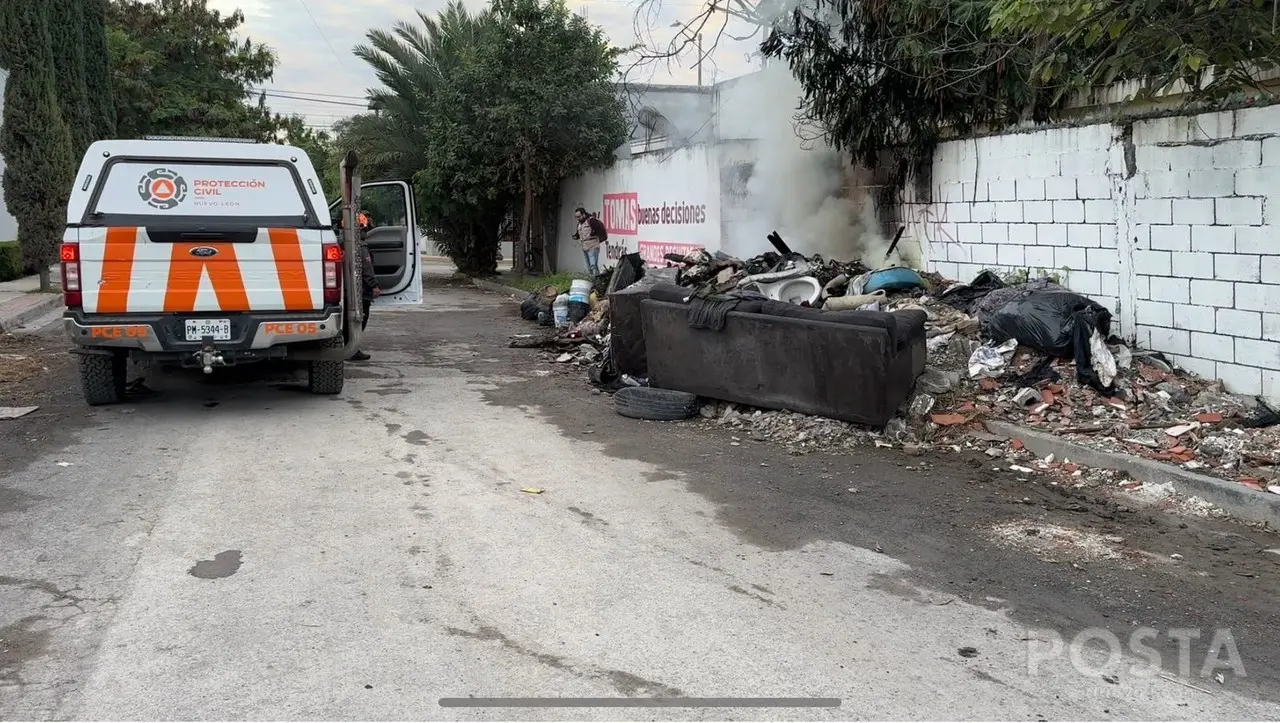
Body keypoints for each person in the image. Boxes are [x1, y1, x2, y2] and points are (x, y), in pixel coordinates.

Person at [349, 212, 379, 362]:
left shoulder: (344, 244)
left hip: (349, 290)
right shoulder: (361, 247)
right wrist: (374, 286)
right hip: (361, 291)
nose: (366, 233)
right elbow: (367, 269)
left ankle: (350, 347)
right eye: (365, 230)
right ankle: (352, 349)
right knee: (361, 319)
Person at [572, 206, 607, 277]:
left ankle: (597, 279)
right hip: (585, 246)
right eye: (576, 217)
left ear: (583, 214)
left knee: (593, 265)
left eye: (579, 216)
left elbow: (600, 229)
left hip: (593, 245)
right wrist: (576, 236)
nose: (578, 219)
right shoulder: (579, 224)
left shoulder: (591, 221)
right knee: (589, 266)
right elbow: (579, 233)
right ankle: (592, 279)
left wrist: (593, 233)